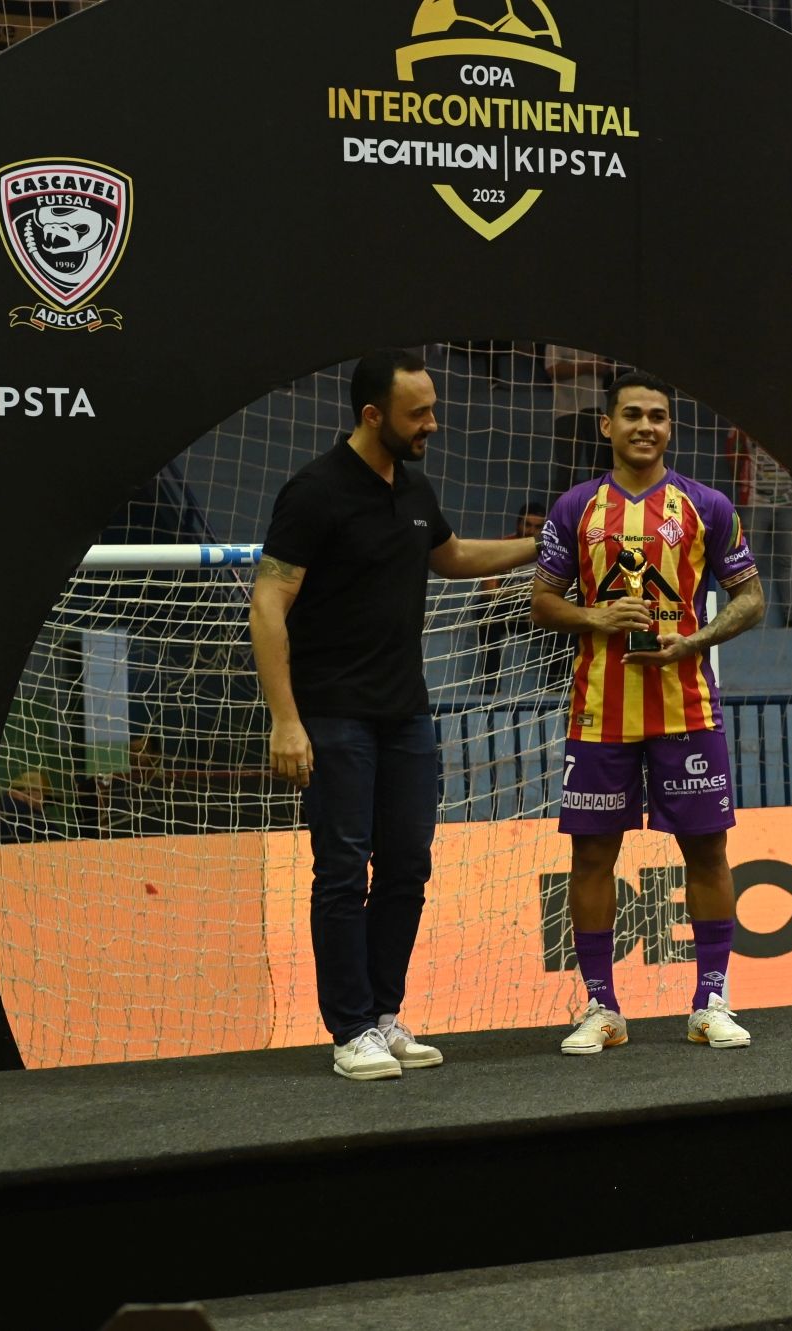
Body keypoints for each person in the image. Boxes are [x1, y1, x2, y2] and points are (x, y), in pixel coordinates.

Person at [250, 348, 542, 1081]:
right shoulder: (314, 492)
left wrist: (545, 545)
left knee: (407, 866)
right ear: (372, 414)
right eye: (418, 413)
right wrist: (287, 720)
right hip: (333, 715)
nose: (432, 424)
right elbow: (268, 602)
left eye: (433, 409)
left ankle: (383, 1016)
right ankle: (350, 1030)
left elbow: (453, 555)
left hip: (408, 715)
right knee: (343, 870)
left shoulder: (413, 486)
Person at [530, 370, 767, 1055]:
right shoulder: (575, 507)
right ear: (606, 425)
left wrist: (694, 640)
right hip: (598, 713)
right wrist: (595, 616)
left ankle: (710, 1001)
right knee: (593, 856)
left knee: (708, 850)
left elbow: (751, 598)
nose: (646, 426)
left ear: (670, 428)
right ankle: (602, 1008)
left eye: (658, 416)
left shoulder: (707, 505)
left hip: (687, 709)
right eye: (632, 414)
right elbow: (542, 602)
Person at [726, 426, 792, 625]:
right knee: (747, 561)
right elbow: (732, 452)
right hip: (755, 502)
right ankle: (739, 614)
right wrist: (743, 482)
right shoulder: (740, 426)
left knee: (786, 562)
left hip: (788, 502)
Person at [474, 500, 550, 693]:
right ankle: (491, 685)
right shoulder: (503, 546)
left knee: (568, 616)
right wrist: (525, 591)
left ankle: (555, 685)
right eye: (527, 524)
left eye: (538, 526)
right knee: (484, 608)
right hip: (510, 609)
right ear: (518, 523)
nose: (531, 530)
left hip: (541, 609)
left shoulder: (553, 550)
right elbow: (489, 591)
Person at [545, 344, 613, 499]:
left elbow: (611, 367)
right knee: (566, 468)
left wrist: (604, 367)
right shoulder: (557, 335)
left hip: (597, 405)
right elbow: (552, 369)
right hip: (567, 408)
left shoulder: (601, 334)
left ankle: (601, 517)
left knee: (600, 468)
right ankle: (561, 518)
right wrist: (586, 367)